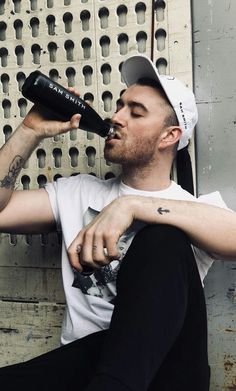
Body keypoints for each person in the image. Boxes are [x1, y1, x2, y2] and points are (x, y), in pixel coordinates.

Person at [0, 54, 236, 391]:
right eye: (120, 106)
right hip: (84, 368)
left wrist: (132, 205)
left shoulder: (193, 209)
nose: (117, 117)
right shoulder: (78, 192)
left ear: (169, 136)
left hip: (162, 375)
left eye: (135, 112)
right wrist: (29, 131)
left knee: (164, 240)